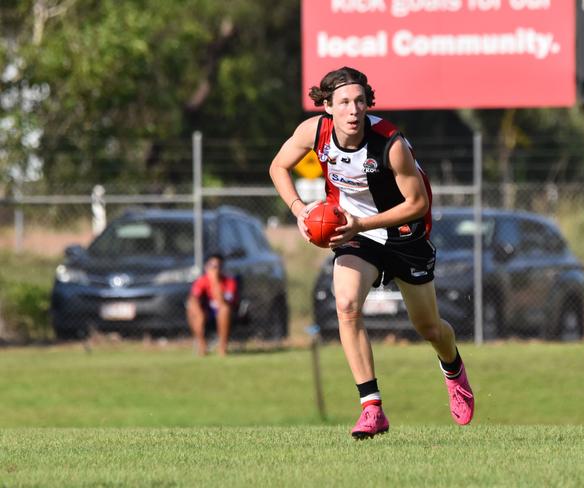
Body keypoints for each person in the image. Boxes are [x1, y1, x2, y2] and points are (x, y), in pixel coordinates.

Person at [269, 66, 474, 438]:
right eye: (344, 102)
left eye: (360, 101)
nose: (353, 110)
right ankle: (372, 407)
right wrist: (301, 211)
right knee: (346, 305)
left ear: (368, 104)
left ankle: (453, 367)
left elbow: (418, 202)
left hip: (403, 233)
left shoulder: (390, 144)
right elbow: (278, 166)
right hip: (354, 232)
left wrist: (363, 224)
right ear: (327, 106)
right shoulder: (314, 132)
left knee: (428, 327)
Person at [186, 253, 238, 357]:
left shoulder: (229, 282)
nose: (215, 269)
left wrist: (214, 282)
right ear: (206, 267)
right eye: (212, 266)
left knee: (224, 310)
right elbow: (194, 298)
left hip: (223, 313)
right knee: (192, 307)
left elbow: (223, 302)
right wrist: (196, 306)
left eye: (218, 266)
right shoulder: (201, 281)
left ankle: (222, 348)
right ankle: (202, 346)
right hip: (206, 312)